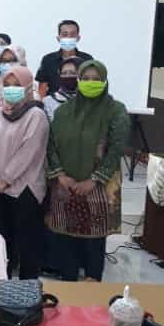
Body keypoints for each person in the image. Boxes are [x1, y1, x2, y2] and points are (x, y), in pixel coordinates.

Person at [46, 60, 129, 282]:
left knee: (94, 242)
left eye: (96, 79)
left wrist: (94, 180)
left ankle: (92, 289)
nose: (90, 83)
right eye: (86, 79)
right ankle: (68, 283)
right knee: (66, 240)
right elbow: (51, 145)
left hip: (98, 188)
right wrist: (61, 175)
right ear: (79, 81)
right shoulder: (64, 111)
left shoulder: (116, 111)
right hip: (66, 187)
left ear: (105, 81)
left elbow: (116, 148)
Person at [0, 66, 49, 280]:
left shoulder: (36, 115)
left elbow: (29, 151)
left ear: (28, 87)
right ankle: (3, 287)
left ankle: (27, 292)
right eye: (7, 85)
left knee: (27, 246)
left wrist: (5, 180)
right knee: (2, 244)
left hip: (25, 190)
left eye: (17, 85)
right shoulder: (0, 111)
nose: (11, 89)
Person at [36, 20, 93, 98]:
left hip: (81, 101)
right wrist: (42, 103)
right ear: (58, 38)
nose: (69, 37)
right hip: (54, 102)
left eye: (72, 34)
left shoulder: (87, 59)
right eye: (65, 34)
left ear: (78, 38)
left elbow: (91, 83)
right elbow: (42, 88)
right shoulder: (48, 60)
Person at [43, 56, 83, 122]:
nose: (68, 76)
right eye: (64, 73)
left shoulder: (89, 100)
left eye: (73, 73)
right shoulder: (48, 101)